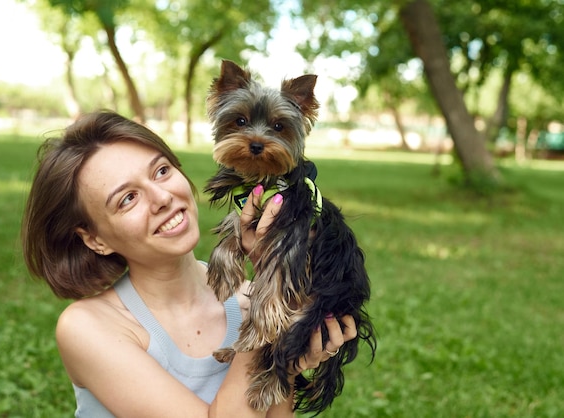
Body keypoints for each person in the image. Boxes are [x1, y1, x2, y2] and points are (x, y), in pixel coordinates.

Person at [21, 110, 356, 417]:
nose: (163, 197)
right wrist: (273, 290)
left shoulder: (249, 300)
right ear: (95, 239)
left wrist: (287, 365)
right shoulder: (88, 327)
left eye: (162, 171)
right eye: (127, 198)